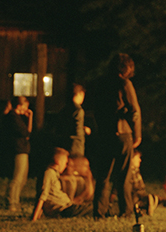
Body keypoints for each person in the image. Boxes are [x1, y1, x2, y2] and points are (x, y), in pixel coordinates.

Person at [91, 53, 143, 219]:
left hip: (105, 134)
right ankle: (126, 211)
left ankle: (99, 212)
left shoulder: (100, 83)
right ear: (127, 68)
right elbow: (135, 111)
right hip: (122, 133)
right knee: (123, 175)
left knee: (103, 176)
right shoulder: (124, 83)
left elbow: (96, 109)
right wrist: (137, 134)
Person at [32, 147, 93, 220]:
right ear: (58, 161)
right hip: (64, 209)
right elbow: (42, 196)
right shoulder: (49, 173)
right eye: (65, 163)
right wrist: (34, 218)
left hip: (67, 207)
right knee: (94, 209)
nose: (66, 166)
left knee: (90, 208)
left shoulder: (53, 174)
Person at [4, 95, 33, 212]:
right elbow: (26, 132)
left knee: (23, 178)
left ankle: (16, 201)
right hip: (18, 149)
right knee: (17, 177)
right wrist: (30, 118)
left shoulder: (18, 118)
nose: (27, 109)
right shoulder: (13, 117)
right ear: (19, 106)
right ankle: (11, 201)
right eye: (26, 106)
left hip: (23, 150)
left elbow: (27, 133)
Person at [67, 84, 92, 157]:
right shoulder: (79, 111)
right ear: (80, 93)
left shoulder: (66, 108)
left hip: (66, 143)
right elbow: (77, 131)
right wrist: (84, 130)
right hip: (76, 145)